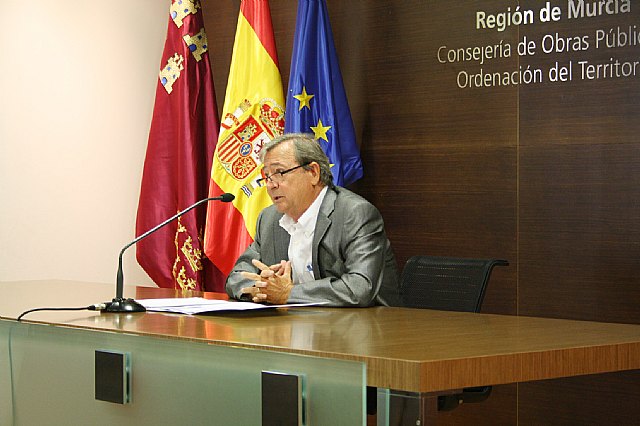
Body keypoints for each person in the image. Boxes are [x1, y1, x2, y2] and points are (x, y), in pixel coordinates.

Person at [226, 133, 399, 306]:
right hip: (294, 325)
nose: (271, 185)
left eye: (279, 173)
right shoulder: (269, 219)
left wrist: (288, 293)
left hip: (362, 326)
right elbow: (237, 276)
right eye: (267, 176)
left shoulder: (354, 214)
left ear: (313, 172)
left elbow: (360, 288)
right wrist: (261, 288)